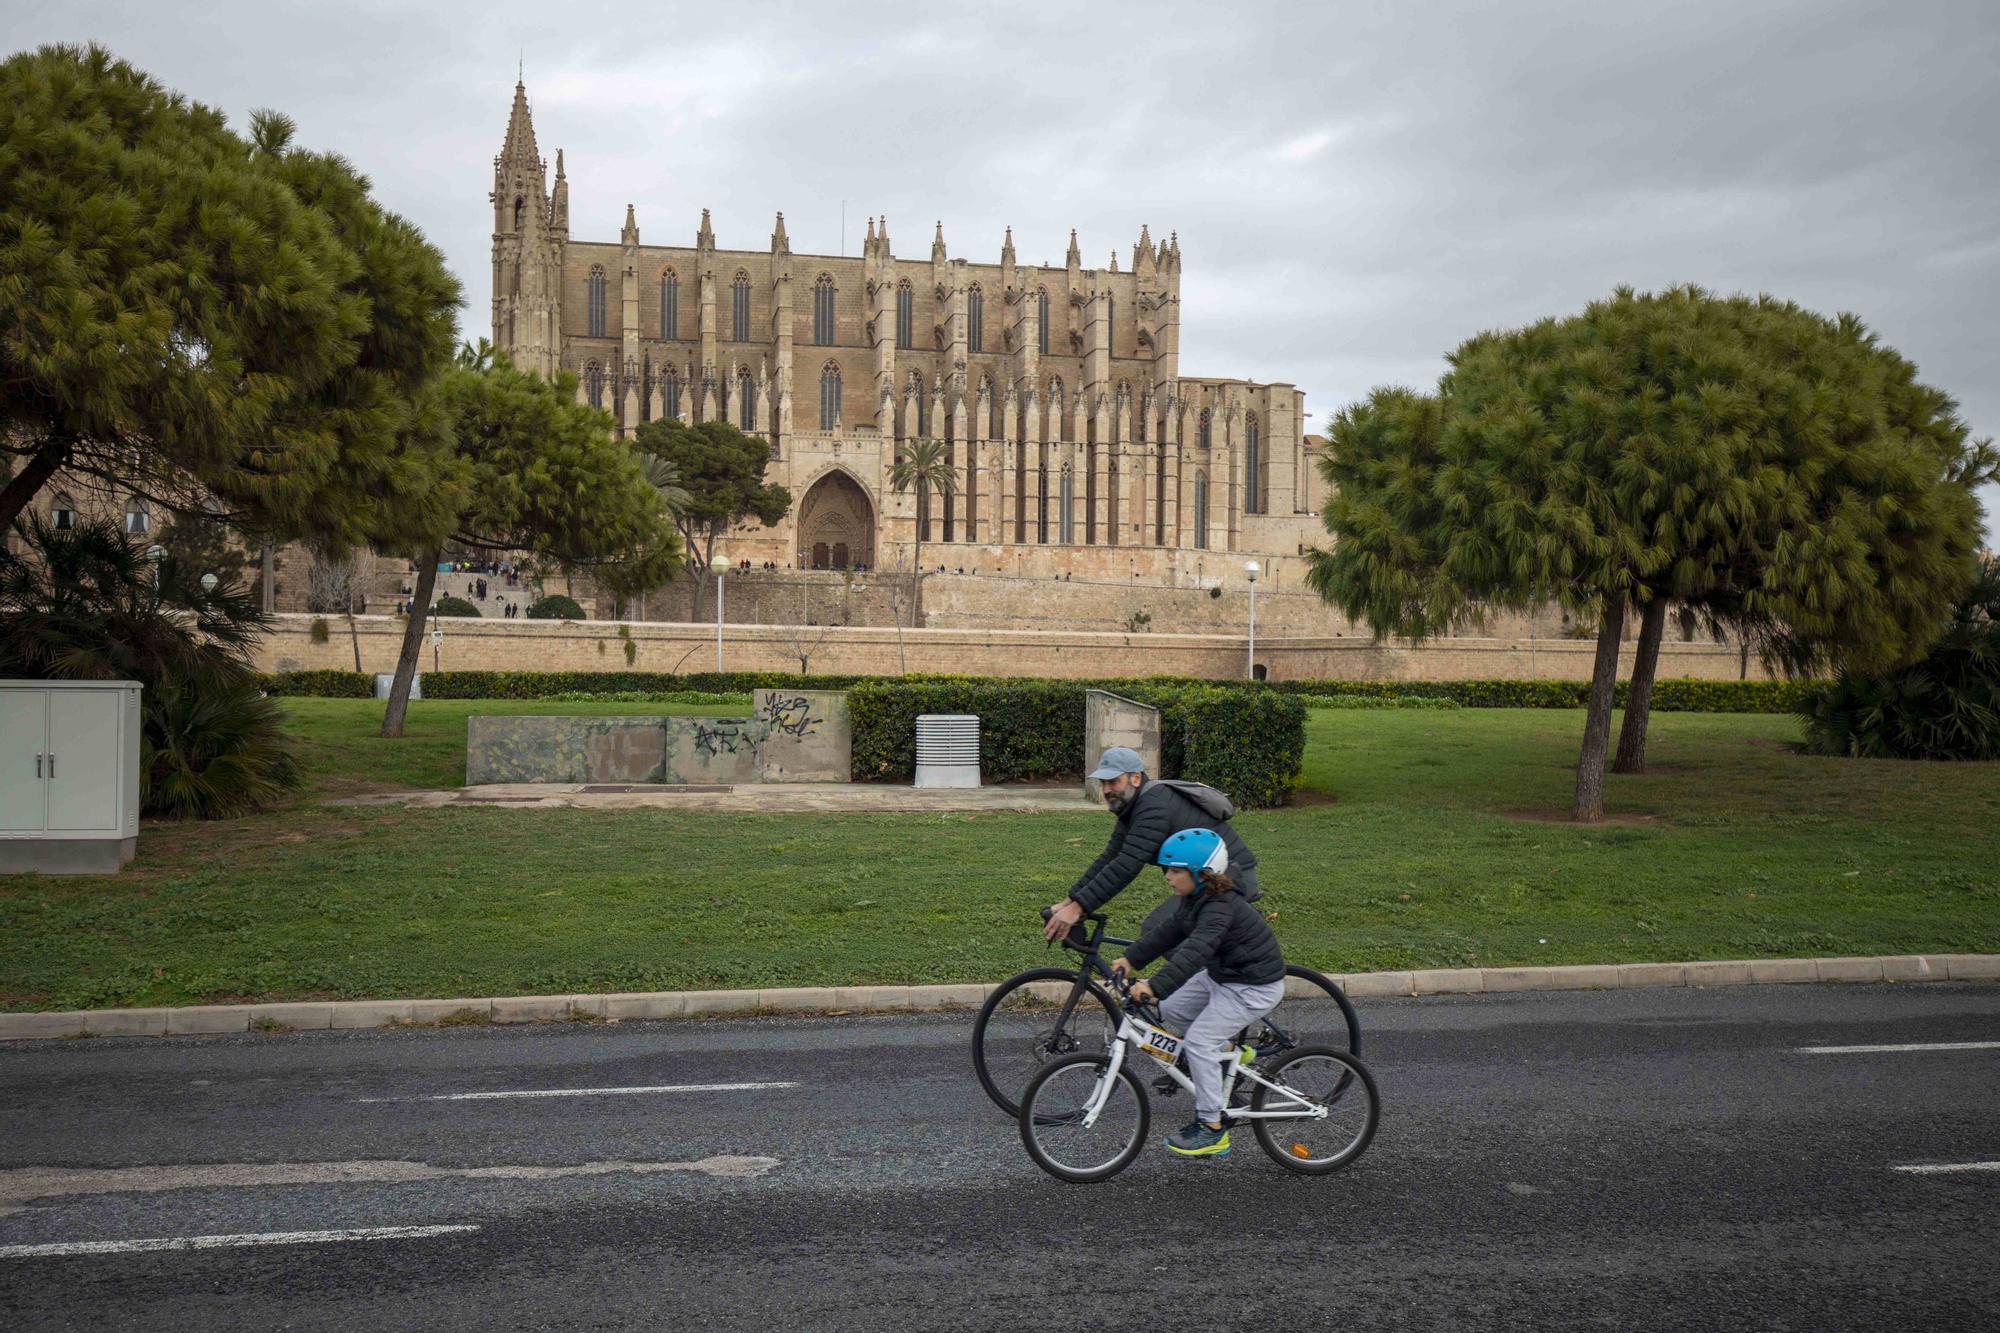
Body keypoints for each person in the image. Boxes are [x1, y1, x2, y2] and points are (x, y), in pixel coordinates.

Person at [1110, 828, 1285, 1159]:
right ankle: (1233, 1051)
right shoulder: (1195, 899)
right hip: (1225, 977)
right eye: (1166, 870)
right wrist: (1131, 958)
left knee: (1199, 1042)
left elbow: (1195, 951)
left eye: (1176, 871)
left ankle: (1213, 1128)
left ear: (1203, 874)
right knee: (1173, 1012)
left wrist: (1154, 987)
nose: (1168, 877)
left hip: (1253, 986)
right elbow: (1168, 933)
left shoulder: (1219, 908)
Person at [1042, 747, 1258, 943]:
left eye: (1113, 781)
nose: (1107, 790)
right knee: (1166, 934)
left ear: (1135, 778)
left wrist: (1078, 909)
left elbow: (1127, 865)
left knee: (1158, 930)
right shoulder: (1133, 808)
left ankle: (1215, 983)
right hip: (1202, 882)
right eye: (1103, 783)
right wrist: (1069, 901)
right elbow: (1110, 858)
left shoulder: (1153, 807)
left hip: (1228, 878)